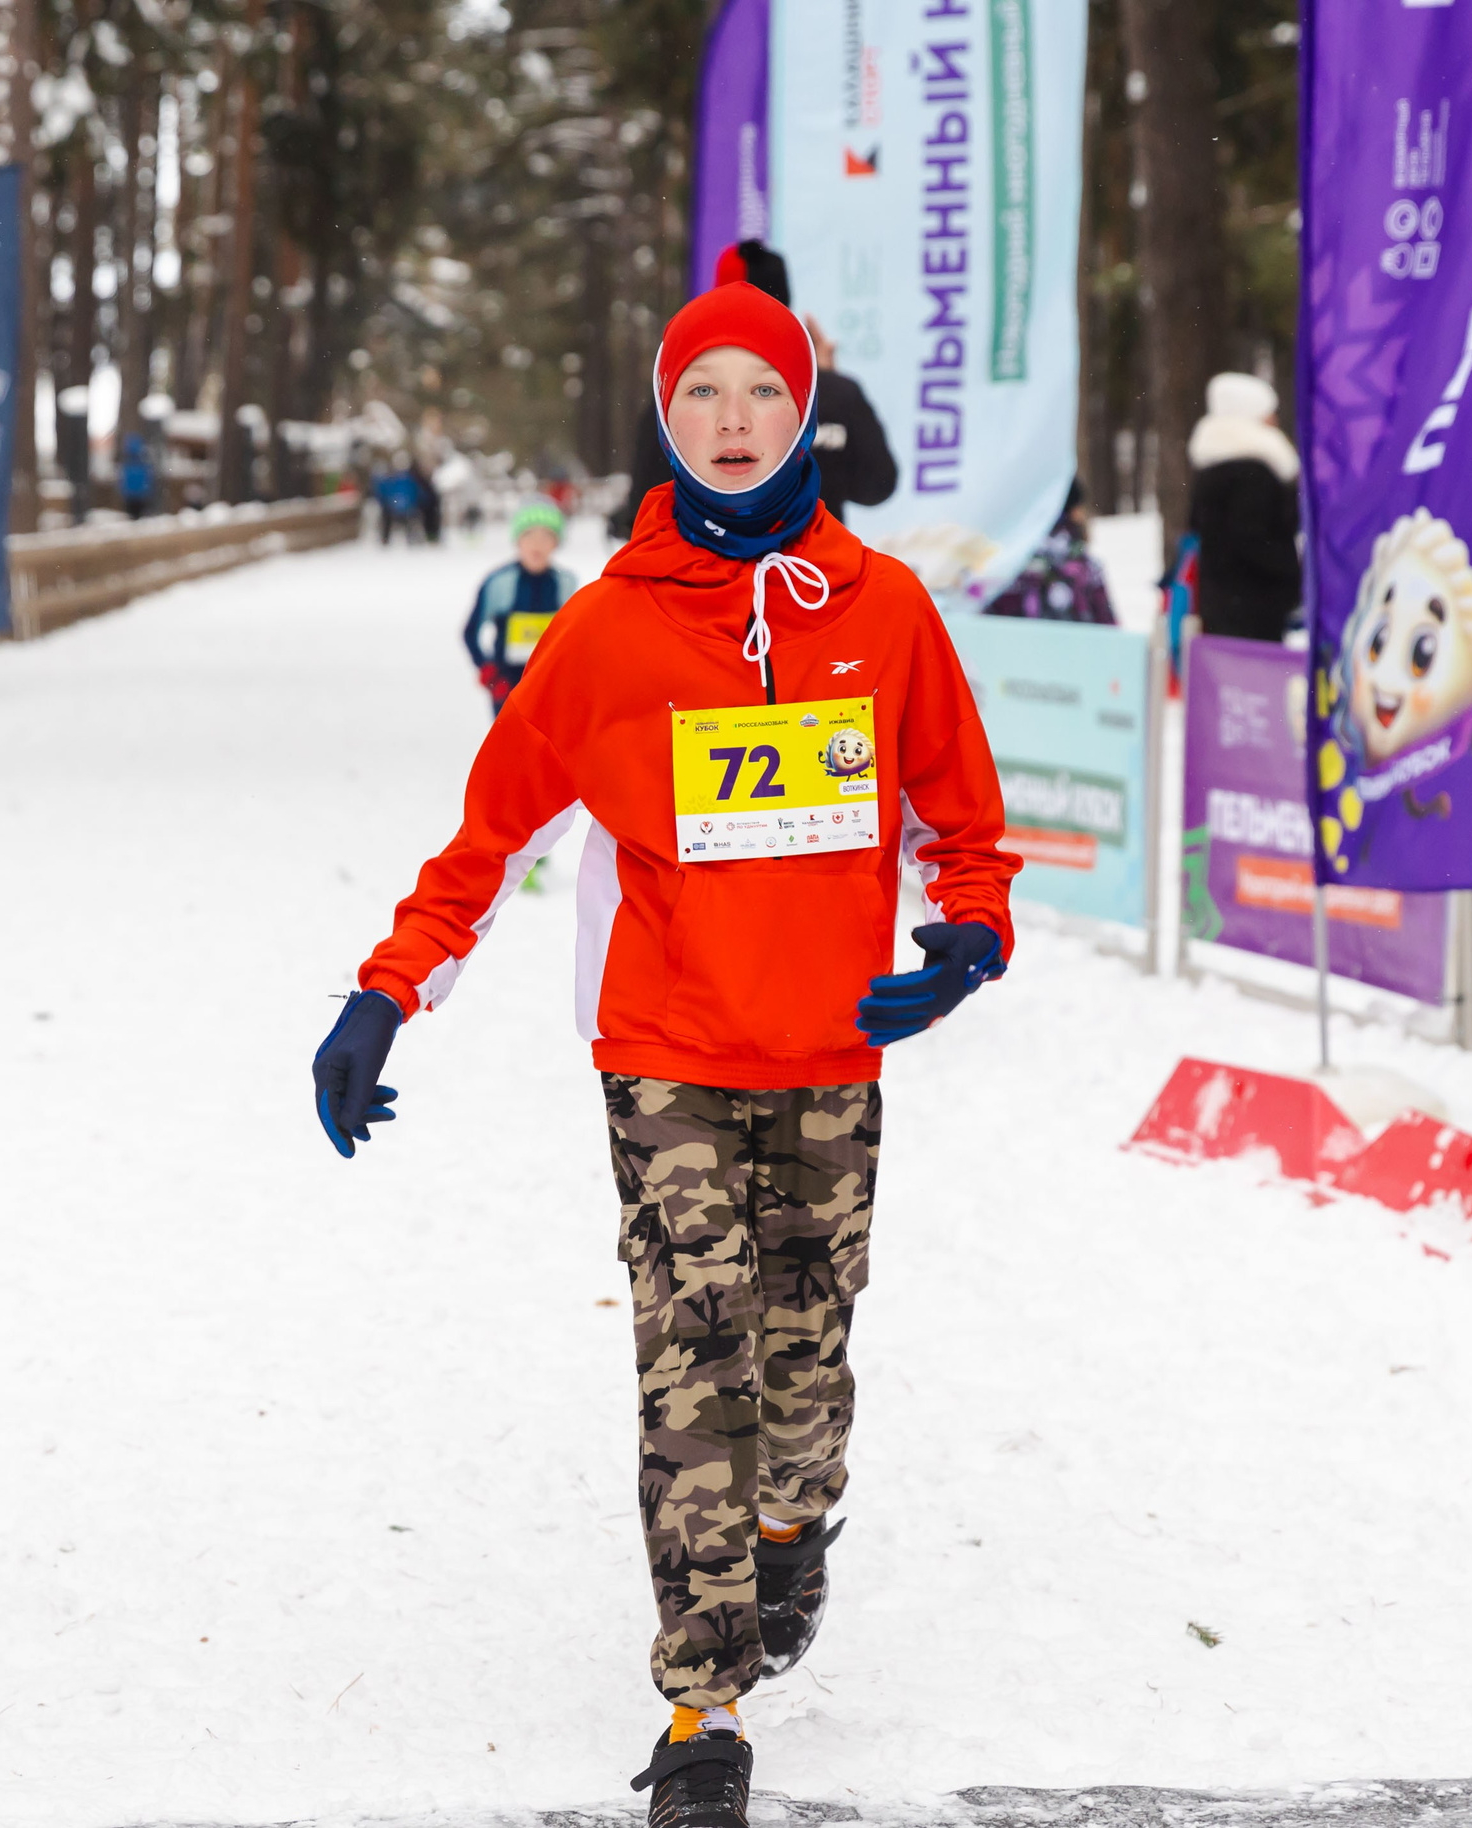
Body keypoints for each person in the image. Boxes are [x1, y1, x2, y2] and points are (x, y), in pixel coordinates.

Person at [311, 278, 1016, 1828]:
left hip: (832, 1050)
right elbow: (488, 839)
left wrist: (967, 943)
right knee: (695, 1359)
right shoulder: (610, 627)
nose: (734, 420)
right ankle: (704, 1710)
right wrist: (387, 992)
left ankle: (794, 1529)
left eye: (761, 392)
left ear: (802, 411)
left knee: (802, 1366)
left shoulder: (884, 609)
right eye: (702, 396)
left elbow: (965, 823)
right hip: (666, 1055)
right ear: (667, 420)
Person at [611, 241, 897, 537]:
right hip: (818, 573)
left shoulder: (678, 398)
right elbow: (877, 486)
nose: (734, 420)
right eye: (705, 390)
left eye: (765, 391)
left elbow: (640, 508)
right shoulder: (836, 391)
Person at [1185, 372, 1302, 643]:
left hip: (1220, 604)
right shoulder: (1253, 472)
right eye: (1269, 413)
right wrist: (1292, 577)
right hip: (1255, 606)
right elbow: (1254, 540)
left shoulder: (1211, 469)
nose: (1275, 420)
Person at [463, 497, 579, 718]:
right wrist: (489, 671)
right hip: (507, 686)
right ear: (518, 540)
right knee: (511, 749)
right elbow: (470, 632)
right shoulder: (499, 583)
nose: (537, 544)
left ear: (556, 543)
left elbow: (575, 636)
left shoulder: (566, 584)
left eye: (546, 536)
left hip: (550, 686)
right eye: (529, 535)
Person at [982, 479, 1117, 622]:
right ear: (1073, 511)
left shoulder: (1009, 560)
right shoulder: (1085, 567)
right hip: (1076, 642)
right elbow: (1108, 628)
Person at [119, 434, 155, 520]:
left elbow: (123, 479)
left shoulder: (127, 462)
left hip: (131, 494)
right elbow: (148, 478)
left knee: (132, 516)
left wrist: (123, 490)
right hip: (141, 494)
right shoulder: (144, 461)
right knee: (139, 516)